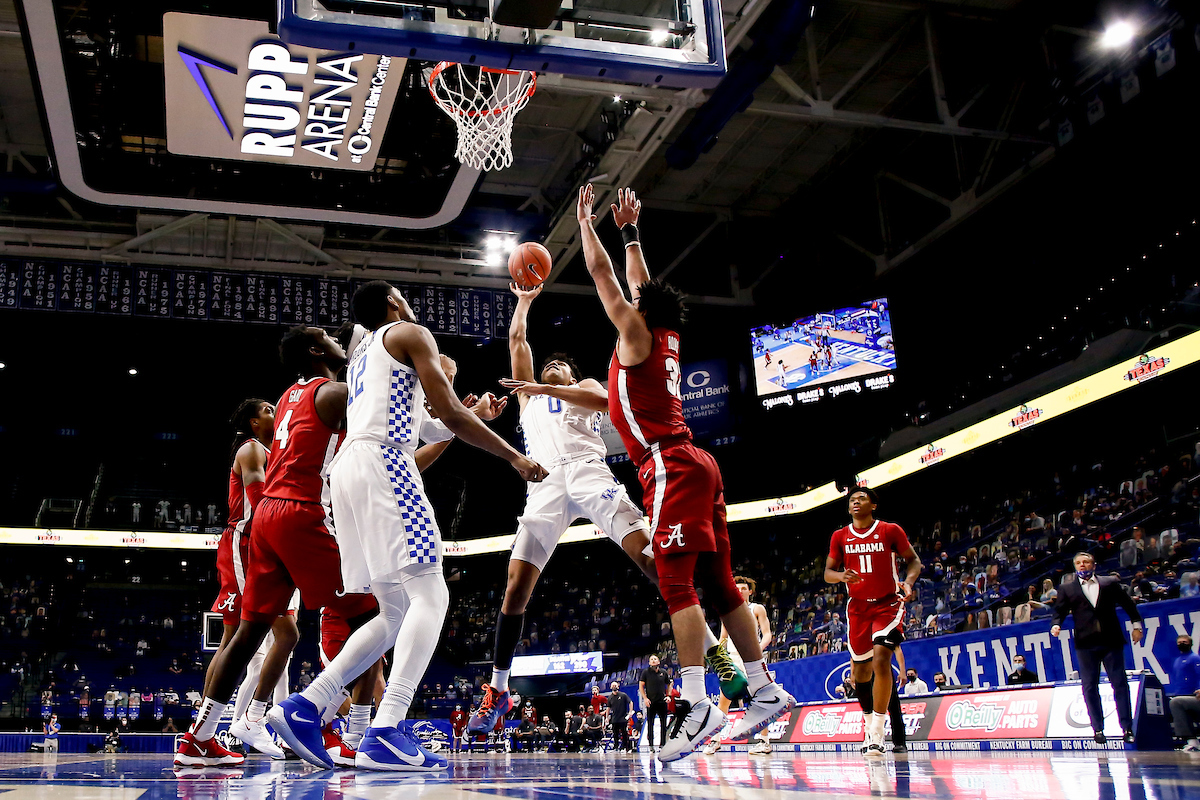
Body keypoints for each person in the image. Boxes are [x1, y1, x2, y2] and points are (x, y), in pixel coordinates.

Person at [269, 282, 547, 772]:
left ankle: (306, 704)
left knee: (394, 609)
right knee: (431, 595)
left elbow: (428, 422)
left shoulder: (361, 358)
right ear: (395, 302)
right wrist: (514, 457)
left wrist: (473, 414)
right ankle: (387, 728)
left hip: (350, 471)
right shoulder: (410, 332)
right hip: (384, 462)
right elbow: (451, 417)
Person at [578, 184, 791, 763]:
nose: (633, 299)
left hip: (668, 465)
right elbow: (644, 283)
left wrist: (587, 227)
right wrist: (631, 233)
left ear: (641, 311)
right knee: (722, 586)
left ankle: (698, 704)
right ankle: (765, 689)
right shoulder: (666, 332)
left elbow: (604, 280)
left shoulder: (638, 332)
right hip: (697, 464)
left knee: (676, 584)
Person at [176, 330, 382, 769]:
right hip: (299, 512)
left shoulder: (290, 395)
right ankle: (344, 727)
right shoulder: (333, 393)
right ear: (315, 351)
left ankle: (200, 737)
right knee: (376, 620)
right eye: (327, 336)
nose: (334, 338)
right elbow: (384, 421)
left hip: (267, 520)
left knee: (251, 635)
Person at [470, 282, 659, 736]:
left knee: (652, 561)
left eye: (561, 365)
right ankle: (498, 690)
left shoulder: (586, 385)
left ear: (570, 376)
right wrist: (524, 301)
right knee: (515, 587)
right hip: (546, 481)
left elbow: (603, 401)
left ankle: (717, 653)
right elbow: (518, 342)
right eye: (547, 364)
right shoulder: (528, 397)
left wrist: (539, 382)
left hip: (589, 472)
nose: (552, 366)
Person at [825, 487, 922, 757]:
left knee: (882, 660)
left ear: (874, 505)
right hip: (857, 609)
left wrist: (909, 582)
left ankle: (878, 732)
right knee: (861, 675)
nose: (856, 502)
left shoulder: (890, 530)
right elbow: (827, 573)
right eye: (852, 500)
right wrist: (842, 576)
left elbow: (914, 560)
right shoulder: (840, 536)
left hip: (887, 604)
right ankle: (869, 727)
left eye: (862, 499)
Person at [1050, 552, 1143, 744]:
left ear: (1094, 564)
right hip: (1085, 644)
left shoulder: (1109, 583)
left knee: (1119, 684)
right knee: (1089, 686)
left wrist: (1136, 626)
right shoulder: (1067, 588)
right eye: (1078, 563)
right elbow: (1059, 610)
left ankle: (1127, 728)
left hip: (1111, 641)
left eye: (1085, 562)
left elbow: (1128, 604)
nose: (1082, 565)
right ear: (1074, 566)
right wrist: (1056, 624)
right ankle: (1098, 729)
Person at [704, 576, 774, 755]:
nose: (740, 591)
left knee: (760, 699)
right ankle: (715, 740)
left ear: (750, 591)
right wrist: (718, 657)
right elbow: (723, 638)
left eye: (744, 588)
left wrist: (755, 650)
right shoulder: (727, 611)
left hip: (753, 657)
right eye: (737, 588)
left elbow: (767, 635)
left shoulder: (757, 608)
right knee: (724, 700)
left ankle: (764, 742)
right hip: (734, 658)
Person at [1168, 634, 1200, 751]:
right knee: (1175, 703)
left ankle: (1191, 739)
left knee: (1176, 703)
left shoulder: (1195, 658)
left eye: (1184, 642)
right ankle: (1191, 741)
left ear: (1190, 644)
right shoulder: (1177, 661)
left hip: (1195, 696)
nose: (1182, 644)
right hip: (1182, 696)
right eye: (1179, 642)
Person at [639, 655, 669, 751]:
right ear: (649, 662)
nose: (653, 660)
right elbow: (641, 686)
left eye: (655, 659)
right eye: (651, 659)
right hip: (651, 702)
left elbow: (669, 684)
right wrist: (645, 698)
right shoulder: (646, 672)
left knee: (664, 724)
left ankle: (663, 744)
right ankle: (651, 745)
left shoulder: (663, 673)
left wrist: (668, 696)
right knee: (650, 724)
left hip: (662, 701)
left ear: (658, 661)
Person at [608, 681, 632, 752]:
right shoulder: (610, 698)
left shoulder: (623, 695)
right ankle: (616, 747)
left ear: (618, 686)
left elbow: (630, 702)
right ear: (610, 687)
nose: (614, 687)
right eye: (613, 685)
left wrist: (630, 712)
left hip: (623, 718)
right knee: (615, 734)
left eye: (615, 685)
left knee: (624, 733)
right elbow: (608, 708)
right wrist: (607, 717)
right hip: (615, 719)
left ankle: (625, 747)